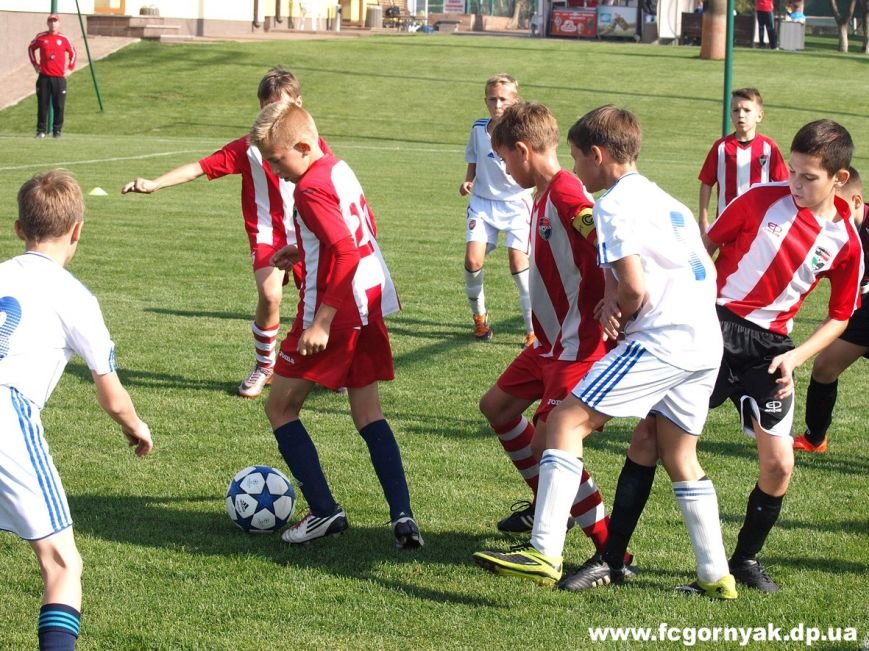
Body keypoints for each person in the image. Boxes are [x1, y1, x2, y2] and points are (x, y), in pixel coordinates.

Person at [473, 105, 736, 599]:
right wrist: (619, 293)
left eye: (578, 159)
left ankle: (544, 551)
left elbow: (633, 287)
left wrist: (620, 304)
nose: (575, 170)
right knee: (681, 456)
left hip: (663, 339)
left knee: (565, 423)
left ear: (597, 155)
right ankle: (715, 576)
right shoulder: (667, 200)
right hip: (704, 340)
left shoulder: (611, 203)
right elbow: (701, 268)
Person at [248, 101, 422, 549]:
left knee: (280, 407)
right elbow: (361, 229)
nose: (274, 169)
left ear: (302, 146)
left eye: (277, 159)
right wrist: (302, 250)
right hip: (370, 298)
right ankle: (402, 516)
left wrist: (322, 320)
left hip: (336, 308)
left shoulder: (308, 189)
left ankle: (324, 511)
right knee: (368, 413)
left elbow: (343, 250)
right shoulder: (337, 166)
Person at [698, 120, 861, 593]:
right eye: (793, 171)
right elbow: (704, 246)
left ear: (840, 179)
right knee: (653, 437)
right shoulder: (758, 199)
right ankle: (611, 553)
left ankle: (745, 560)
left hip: (771, 350)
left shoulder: (846, 242)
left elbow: (840, 316)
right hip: (715, 326)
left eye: (809, 177)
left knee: (780, 465)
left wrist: (797, 358)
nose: (796, 184)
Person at [0, 170, 154, 651]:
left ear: (19, 228)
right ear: (78, 231)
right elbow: (111, 395)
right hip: (7, 412)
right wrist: (136, 427)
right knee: (63, 565)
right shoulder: (75, 297)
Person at [475, 102, 622, 559]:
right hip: (550, 344)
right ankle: (545, 505)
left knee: (552, 445)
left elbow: (608, 242)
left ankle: (612, 551)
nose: (502, 167)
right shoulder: (542, 194)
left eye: (503, 158)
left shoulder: (565, 193)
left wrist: (613, 298)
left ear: (522, 150)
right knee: (497, 407)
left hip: (577, 345)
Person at [122, 67, 315, 399]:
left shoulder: (310, 144)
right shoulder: (248, 148)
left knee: (316, 301)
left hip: (308, 232)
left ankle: (327, 366)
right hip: (268, 233)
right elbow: (200, 167)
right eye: (267, 109)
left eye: (281, 109)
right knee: (270, 296)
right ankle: (265, 366)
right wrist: (155, 183)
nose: (273, 117)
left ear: (298, 104)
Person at [794, 167, 867, 453]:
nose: (833, 213)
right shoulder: (834, 233)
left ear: (857, 202)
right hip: (861, 313)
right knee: (825, 366)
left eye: (840, 205)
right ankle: (815, 439)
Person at [459, 74, 534, 346]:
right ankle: (480, 320)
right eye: (493, 98)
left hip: (517, 204)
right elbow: (473, 158)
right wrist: (469, 180)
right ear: (485, 100)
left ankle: (531, 328)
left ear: (515, 100)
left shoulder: (524, 132)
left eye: (503, 98)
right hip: (483, 203)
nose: (498, 104)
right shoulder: (479, 128)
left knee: (518, 263)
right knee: (473, 260)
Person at [698, 87, 788, 233]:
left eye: (747, 110)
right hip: (726, 220)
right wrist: (703, 219)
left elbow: (784, 185)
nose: (741, 115)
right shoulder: (721, 147)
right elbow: (706, 183)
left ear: (759, 116)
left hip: (759, 222)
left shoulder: (769, 147)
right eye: (736, 110)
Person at [28, 13, 77, 139]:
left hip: (59, 78)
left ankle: (57, 131)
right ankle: (41, 131)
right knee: (42, 105)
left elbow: (73, 53)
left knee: (59, 106)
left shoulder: (64, 38)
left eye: (55, 21)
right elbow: (31, 48)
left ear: (59, 23)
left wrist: (70, 69)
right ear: (47, 23)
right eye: (50, 21)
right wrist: (35, 64)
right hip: (44, 77)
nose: (53, 24)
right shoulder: (41, 37)